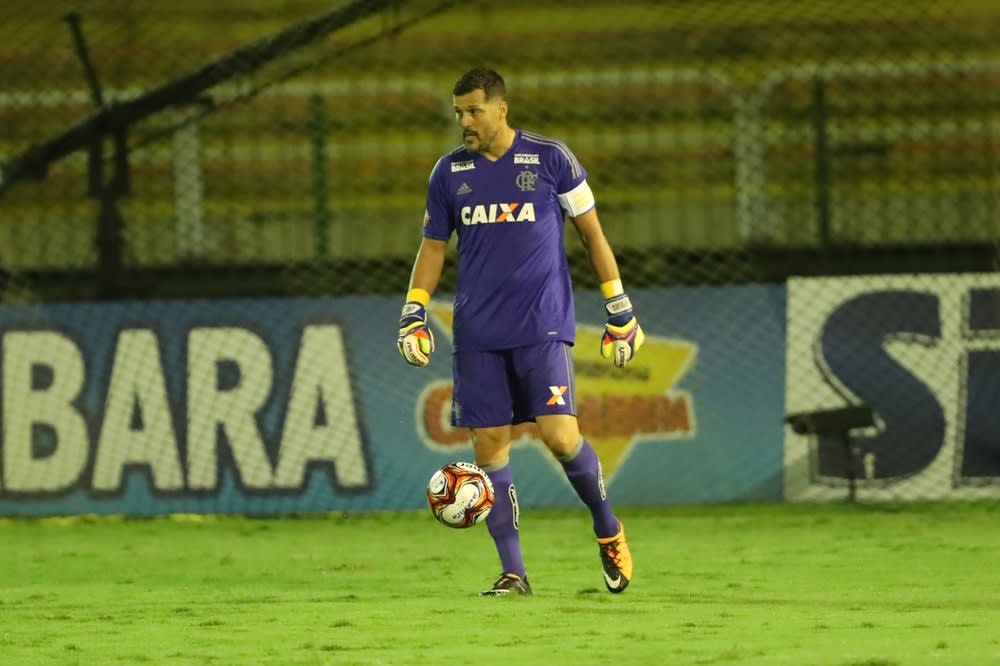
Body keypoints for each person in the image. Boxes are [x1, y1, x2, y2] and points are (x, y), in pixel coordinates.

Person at [397, 67, 644, 596]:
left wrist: (619, 309)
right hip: (479, 331)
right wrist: (414, 312)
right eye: (459, 111)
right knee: (489, 445)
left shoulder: (552, 158)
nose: (464, 121)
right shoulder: (448, 173)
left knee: (559, 436)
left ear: (501, 108)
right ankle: (515, 574)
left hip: (543, 323)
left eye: (474, 111)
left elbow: (592, 235)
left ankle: (607, 527)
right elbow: (433, 248)